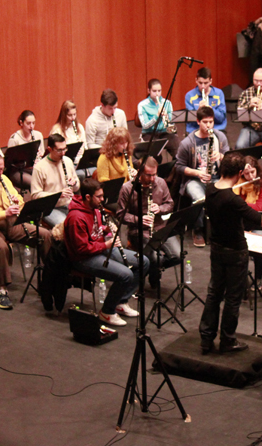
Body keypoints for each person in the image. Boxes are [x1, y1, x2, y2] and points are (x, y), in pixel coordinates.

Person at [199, 153, 262, 354]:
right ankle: (227, 340)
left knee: (214, 293)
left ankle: (206, 339)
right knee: (233, 298)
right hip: (235, 252)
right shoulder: (232, 199)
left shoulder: (210, 190)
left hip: (216, 249)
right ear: (238, 174)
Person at [0, 153, 51, 310]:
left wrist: (18, 203)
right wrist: (4, 213)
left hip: (9, 224)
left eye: (2, 169)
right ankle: (2, 291)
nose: (0, 173)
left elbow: (17, 199)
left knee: (44, 234)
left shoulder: (4, 180)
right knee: (1, 247)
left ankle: (51, 279)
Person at [64, 179, 146, 327]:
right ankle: (107, 312)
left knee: (143, 261)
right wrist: (106, 243)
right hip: (84, 258)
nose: (103, 199)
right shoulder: (76, 218)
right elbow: (81, 248)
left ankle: (120, 302)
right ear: (87, 197)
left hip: (100, 249)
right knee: (125, 275)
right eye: (99, 196)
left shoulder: (94, 208)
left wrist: (106, 229)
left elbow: (95, 229)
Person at [117, 156, 179, 289]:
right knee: (156, 258)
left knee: (178, 256)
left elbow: (170, 204)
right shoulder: (127, 188)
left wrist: (160, 208)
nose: (152, 179)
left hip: (160, 227)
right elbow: (120, 215)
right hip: (139, 231)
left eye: (154, 174)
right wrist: (139, 219)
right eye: (148, 175)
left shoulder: (160, 182)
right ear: (139, 171)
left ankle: (152, 270)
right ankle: (153, 274)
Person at [175, 106, 230, 247]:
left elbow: (230, 159)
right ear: (198, 121)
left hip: (217, 177)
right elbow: (179, 167)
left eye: (211, 122)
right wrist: (198, 173)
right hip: (195, 180)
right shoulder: (187, 143)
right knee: (200, 198)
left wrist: (221, 156)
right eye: (205, 122)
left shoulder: (220, 137)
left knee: (226, 196)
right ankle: (198, 229)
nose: (208, 125)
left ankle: (221, 229)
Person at [234, 156, 262, 287]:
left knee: (261, 246)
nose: (250, 176)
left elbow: (259, 208)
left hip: (260, 222)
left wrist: (238, 203)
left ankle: (258, 277)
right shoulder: (236, 184)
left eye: (253, 172)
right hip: (240, 222)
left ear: (257, 170)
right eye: (246, 173)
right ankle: (240, 280)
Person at [30, 134, 80, 227]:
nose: (63, 153)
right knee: (68, 226)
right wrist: (58, 195)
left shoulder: (68, 161)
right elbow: (35, 195)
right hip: (51, 209)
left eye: (65, 149)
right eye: (59, 150)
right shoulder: (39, 168)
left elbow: (77, 187)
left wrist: (74, 183)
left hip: (69, 203)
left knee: (84, 221)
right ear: (49, 149)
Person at [137, 78, 179, 159]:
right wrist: (157, 116)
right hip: (150, 134)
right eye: (154, 91)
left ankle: (174, 170)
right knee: (155, 158)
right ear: (148, 90)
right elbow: (145, 126)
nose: (157, 94)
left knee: (178, 152)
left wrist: (167, 117)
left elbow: (171, 122)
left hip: (165, 132)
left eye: (159, 91)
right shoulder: (142, 105)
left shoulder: (167, 103)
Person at [7, 110, 46, 190]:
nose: (31, 126)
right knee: (35, 183)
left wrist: (39, 157)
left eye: (33, 123)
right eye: (28, 123)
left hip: (35, 168)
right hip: (18, 171)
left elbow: (42, 153)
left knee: (50, 179)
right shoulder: (14, 139)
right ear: (21, 123)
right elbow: (9, 163)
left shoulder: (38, 135)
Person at [50, 99, 87, 177]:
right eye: (69, 115)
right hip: (62, 163)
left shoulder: (79, 127)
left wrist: (81, 151)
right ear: (64, 115)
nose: (73, 118)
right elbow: (54, 152)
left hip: (79, 162)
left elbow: (84, 146)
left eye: (74, 114)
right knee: (81, 175)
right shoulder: (57, 130)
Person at [184, 67, 227, 133]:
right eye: (200, 83)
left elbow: (221, 118)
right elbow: (190, 121)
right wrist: (199, 111)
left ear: (210, 81)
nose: (203, 86)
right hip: (196, 129)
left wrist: (210, 109)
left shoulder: (219, 94)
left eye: (206, 83)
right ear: (196, 80)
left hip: (216, 128)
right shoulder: (189, 95)